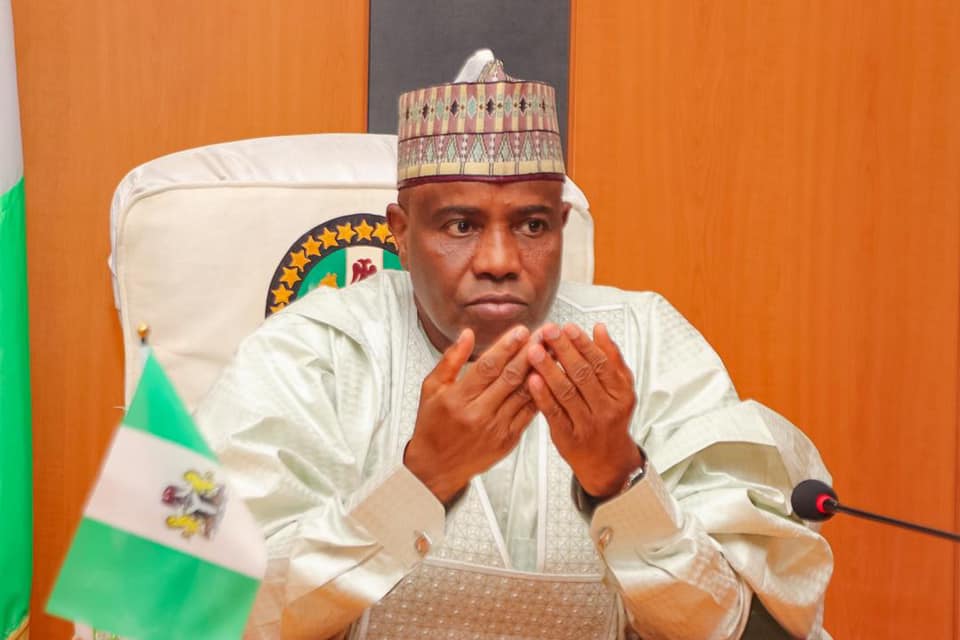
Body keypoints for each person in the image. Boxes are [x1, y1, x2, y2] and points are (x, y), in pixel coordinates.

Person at [195, 52, 833, 640]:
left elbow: (752, 624)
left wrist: (620, 481)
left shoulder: (647, 343)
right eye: (460, 225)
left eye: (531, 224)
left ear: (561, 226)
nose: (500, 261)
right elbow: (204, 608)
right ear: (400, 233)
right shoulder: (318, 353)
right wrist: (421, 481)